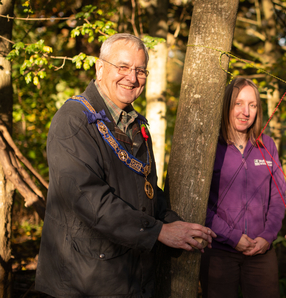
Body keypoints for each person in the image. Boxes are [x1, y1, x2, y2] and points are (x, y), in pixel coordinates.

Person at [35, 33, 215, 297]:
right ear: (100, 68)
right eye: (123, 67)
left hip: (133, 276)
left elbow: (146, 189)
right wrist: (159, 232)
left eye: (140, 70)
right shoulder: (73, 120)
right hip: (85, 282)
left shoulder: (136, 123)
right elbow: (89, 199)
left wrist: (179, 226)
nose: (132, 78)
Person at [199, 78, 286, 298]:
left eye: (252, 105)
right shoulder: (212, 145)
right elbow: (199, 203)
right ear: (227, 105)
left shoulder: (268, 145)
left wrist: (267, 237)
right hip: (219, 251)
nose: (245, 112)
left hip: (261, 251)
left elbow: (278, 198)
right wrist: (232, 237)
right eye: (238, 103)